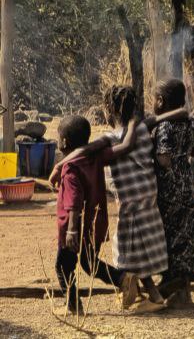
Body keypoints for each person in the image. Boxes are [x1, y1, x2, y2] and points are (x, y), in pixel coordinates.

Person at [52, 86, 187, 313]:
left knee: (123, 254)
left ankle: (130, 290)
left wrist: (60, 165)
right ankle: (132, 286)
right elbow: (177, 114)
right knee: (94, 262)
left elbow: (83, 161)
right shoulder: (141, 129)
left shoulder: (107, 141)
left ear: (109, 111)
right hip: (141, 203)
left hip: (116, 210)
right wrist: (137, 122)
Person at [52, 115, 124, 315]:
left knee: (63, 267)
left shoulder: (70, 167)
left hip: (74, 228)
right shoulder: (93, 158)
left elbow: (74, 199)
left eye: (59, 135)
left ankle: (73, 305)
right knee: (89, 263)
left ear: (64, 142)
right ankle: (123, 279)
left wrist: (72, 230)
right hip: (94, 223)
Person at [151, 79, 194, 307]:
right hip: (187, 186)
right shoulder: (192, 124)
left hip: (169, 189)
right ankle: (184, 293)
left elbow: (163, 158)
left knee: (169, 238)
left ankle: (171, 287)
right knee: (186, 239)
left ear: (160, 101)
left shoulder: (164, 127)